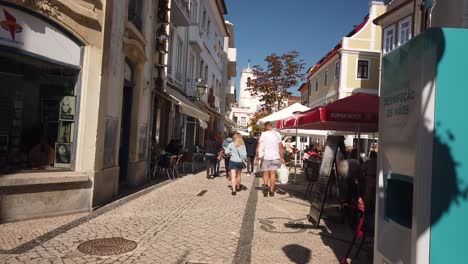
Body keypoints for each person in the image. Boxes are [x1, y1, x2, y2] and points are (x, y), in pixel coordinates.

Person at [256, 121, 285, 197]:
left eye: (265, 127)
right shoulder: (277, 134)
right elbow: (280, 147)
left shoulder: (264, 134)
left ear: (267, 126)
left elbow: (259, 146)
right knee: (273, 174)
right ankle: (271, 191)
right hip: (275, 156)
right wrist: (282, 158)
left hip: (266, 157)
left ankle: (266, 185)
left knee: (265, 173)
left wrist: (257, 155)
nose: (265, 129)